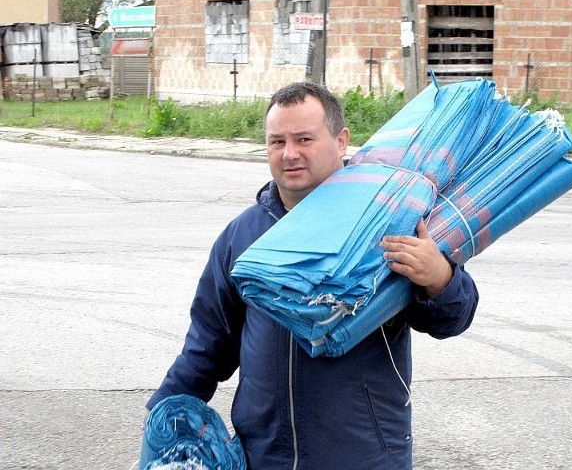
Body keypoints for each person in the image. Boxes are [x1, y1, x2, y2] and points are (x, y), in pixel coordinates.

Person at [144, 81, 479, 469]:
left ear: (341, 141)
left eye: (304, 139)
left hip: (363, 457)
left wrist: (439, 277)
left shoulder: (388, 220)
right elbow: (209, 343)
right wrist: (161, 413)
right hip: (264, 457)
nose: (289, 154)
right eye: (276, 142)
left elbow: (452, 319)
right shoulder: (243, 236)